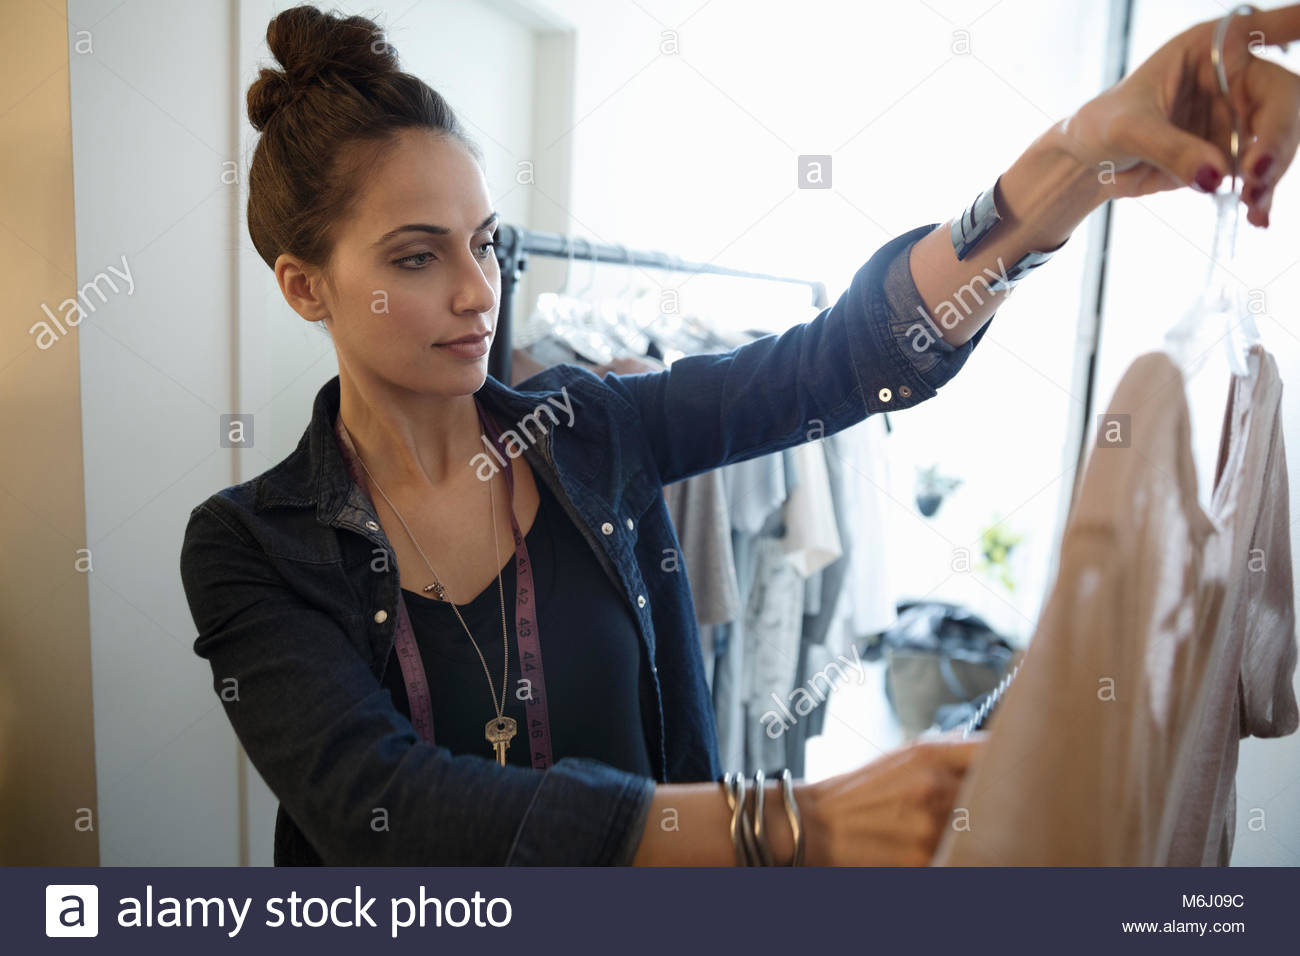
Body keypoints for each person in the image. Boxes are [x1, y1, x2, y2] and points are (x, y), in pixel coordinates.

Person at [179, 3, 1300, 866]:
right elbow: (379, 806)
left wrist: (1072, 161)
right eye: (418, 256)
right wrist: (784, 819)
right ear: (303, 286)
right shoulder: (248, 545)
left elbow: (843, 358)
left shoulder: (591, 432)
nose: (480, 291)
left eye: (485, 240)